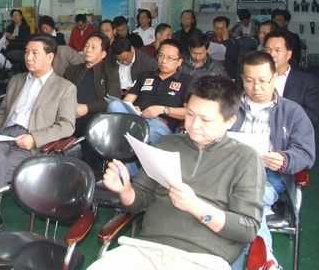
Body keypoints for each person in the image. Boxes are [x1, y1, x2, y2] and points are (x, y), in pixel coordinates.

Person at [89, 75, 264, 270]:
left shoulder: (245, 159)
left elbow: (247, 229)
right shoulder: (167, 144)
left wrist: (196, 207)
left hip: (203, 259)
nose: (194, 125)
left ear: (230, 121)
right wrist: (125, 189)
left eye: (205, 120)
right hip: (146, 250)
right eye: (190, 114)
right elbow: (139, 200)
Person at [0, 35, 76, 238]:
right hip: (5, 135)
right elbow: (2, 109)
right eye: (26, 52)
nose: (28, 57)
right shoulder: (17, 80)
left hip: (31, 140)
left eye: (34, 53)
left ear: (50, 57)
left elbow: (67, 125)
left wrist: (35, 138)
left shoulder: (65, 87)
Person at [229, 51, 315, 270]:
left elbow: (306, 152)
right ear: (242, 78)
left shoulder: (292, 112)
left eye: (262, 81)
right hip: (228, 171)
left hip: (268, 175)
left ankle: (256, 258)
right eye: (249, 81)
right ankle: (265, 261)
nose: (256, 87)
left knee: (246, 198)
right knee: (241, 201)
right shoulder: (228, 106)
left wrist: (285, 159)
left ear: (274, 77)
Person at [109, 39, 189, 144]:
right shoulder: (145, 75)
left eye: (170, 58)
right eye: (161, 56)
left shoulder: (186, 81)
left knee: (147, 132)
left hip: (159, 124)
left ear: (179, 62)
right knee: (114, 105)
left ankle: (127, 142)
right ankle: (127, 138)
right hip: (137, 118)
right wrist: (132, 108)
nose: (163, 61)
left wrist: (162, 110)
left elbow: (189, 112)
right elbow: (128, 100)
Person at [64, 33, 120, 136]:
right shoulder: (72, 70)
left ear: (103, 54)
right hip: (68, 118)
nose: (88, 50)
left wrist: (87, 108)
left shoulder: (110, 72)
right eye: (86, 46)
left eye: (93, 47)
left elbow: (113, 100)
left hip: (96, 123)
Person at [264, 30, 319, 127]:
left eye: (277, 50)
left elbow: (311, 118)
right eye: (268, 50)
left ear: (289, 54)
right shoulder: (253, 77)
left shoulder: (307, 81)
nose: (271, 54)